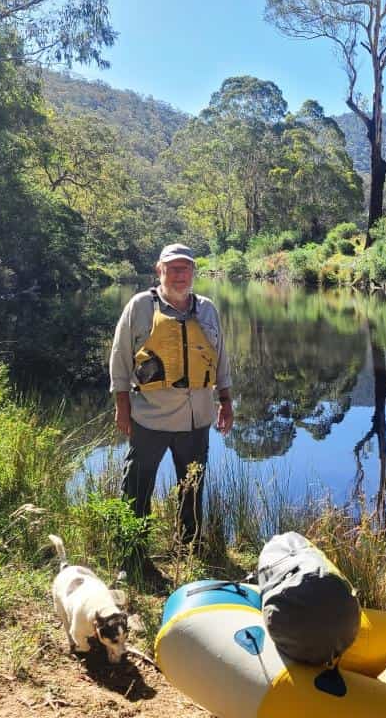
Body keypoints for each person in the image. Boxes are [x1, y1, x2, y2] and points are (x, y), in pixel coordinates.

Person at [109, 243, 233, 575]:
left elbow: (221, 359)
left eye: (186, 268)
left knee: (192, 487)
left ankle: (188, 550)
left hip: (197, 418)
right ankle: (132, 559)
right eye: (173, 268)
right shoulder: (140, 307)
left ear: (194, 272)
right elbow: (120, 359)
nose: (180, 275)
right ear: (159, 270)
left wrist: (226, 401)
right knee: (137, 486)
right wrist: (122, 406)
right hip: (150, 416)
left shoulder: (207, 309)